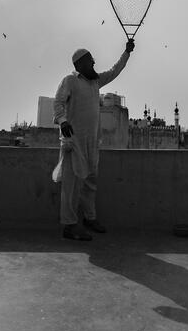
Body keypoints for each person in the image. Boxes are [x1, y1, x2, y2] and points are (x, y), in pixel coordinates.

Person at [52, 39, 135, 240]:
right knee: (71, 186)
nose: (94, 64)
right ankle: (70, 226)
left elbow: (115, 70)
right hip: (74, 142)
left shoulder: (96, 81)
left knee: (90, 182)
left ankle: (90, 219)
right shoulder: (70, 81)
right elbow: (58, 102)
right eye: (90, 61)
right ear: (79, 64)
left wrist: (126, 52)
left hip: (92, 142)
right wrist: (63, 121)